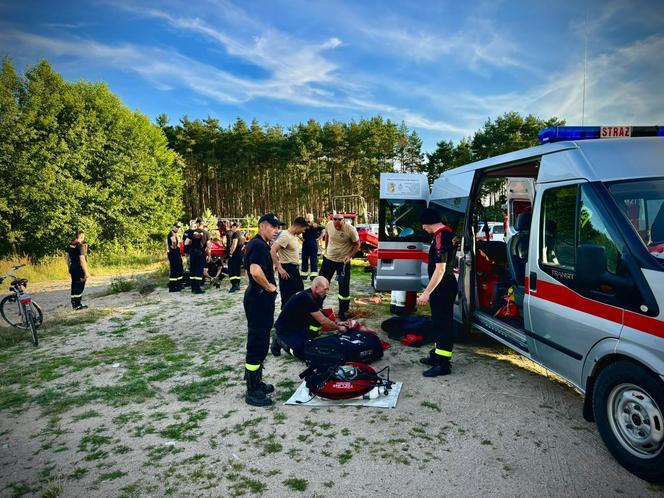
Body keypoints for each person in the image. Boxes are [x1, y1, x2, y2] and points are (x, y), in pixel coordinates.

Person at [243, 213, 284, 407]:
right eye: (273, 226)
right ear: (261, 226)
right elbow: (255, 270)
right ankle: (252, 391)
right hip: (259, 299)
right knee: (257, 343)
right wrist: (269, 287)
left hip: (259, 299)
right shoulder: (258, 245)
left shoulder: (260, 243)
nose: (276, 230)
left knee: (261, 341)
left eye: (278, 227)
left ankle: (256, 382)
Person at [417, 208, 458, 377]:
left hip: (443, 286)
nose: (423, 228)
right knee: (439, 321)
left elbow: (440, 269)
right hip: (443, 286)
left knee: (443, 323)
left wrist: (426, 292)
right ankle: (437, 355)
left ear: (428, 222)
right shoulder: (446, 233)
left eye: (423, 225)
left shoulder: (441, 236)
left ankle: (443, 365)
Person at [272, 276, 347, 359]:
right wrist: (338, 327)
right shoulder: (306, 298)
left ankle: (309, 335)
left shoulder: (317, 295)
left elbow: (319, 314)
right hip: (285, 329)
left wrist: (338, 322)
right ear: (316, 288)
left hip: (297, 322)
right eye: (325, 289)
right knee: (304, 353)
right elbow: (323, 321)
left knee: (324, 314)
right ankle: (280, 341)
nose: (327, 292)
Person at [319, 215, 360, 320]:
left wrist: (349, 256)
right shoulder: (329, 225)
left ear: (344, 221)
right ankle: (317, 308)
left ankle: (343, 311)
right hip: (328, 259)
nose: (337, 227)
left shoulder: (350, 229)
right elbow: (327, 236)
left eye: (339, 226)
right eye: (335, 225)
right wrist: (326, 249)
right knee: (321, 283)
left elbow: (357, 245)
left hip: (343, 262)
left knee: (344, 287)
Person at [271, 216, 307, 309]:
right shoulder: (285, 236)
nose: (303, 231)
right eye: (303, 229)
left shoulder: (292, 235)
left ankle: (295, 318)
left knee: (298, 294)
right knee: (288, 298)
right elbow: (272, 250)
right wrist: (279, 268)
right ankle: (285, 321)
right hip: (287, 269)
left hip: (294, 269)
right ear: (298, 227)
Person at [66, 230, 90, 310]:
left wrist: (69, 267)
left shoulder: (70, 245)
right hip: (79, 268)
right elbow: (82, 259)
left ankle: (74, 304)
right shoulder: (80, 246)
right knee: (80, 286)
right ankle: (78, 304)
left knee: (74, 285)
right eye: (83, 237)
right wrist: (86, 272)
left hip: (73, 267)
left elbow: (67, 257)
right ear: (81, 236)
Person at [185, 218, 209, 294]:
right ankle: (197, 289)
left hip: (192, 254)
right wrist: (209, 255)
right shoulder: (206, 233)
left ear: (197, 224)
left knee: (192, 271)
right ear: (202, 224)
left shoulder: (191, 232)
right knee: (199, 271)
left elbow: (186, 243)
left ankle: (193, 288)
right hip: (201, 254)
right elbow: (208, 246)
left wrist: (192, 242)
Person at [300, 213, 323, 281]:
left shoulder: (315, 225)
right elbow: (297, 232)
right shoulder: (303, 225)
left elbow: (324, 231)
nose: (308, 219)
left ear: (312, 218)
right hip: (305, 242)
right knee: (304, 258)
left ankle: (314, 274)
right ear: (305, 218)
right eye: (307, 217)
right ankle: (304, 274)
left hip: (313, 242)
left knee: (313, 259)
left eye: (310, 217)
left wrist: (319, 238)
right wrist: (300, 238)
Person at [228, 223, 246, 293]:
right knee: (237, 269)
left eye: (232, 227)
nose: (231, 229)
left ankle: (234, 285)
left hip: (235, 254)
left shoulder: (235, 234)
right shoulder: (241, 234)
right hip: (240, 254)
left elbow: (234, 244)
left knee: (232, 269)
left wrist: (230, 253)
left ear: (235, 227)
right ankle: (237, 284)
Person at [166, 222, 183, 292]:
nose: (178, 228)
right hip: (173, 254)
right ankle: (172, 287)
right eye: (177, 227)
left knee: (178, 269)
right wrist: (175, 246)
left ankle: (178, 285)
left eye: (178, 227)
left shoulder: (174, 233)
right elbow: (173, 241)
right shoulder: (172, 233)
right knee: (174, 270)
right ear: (173, 227)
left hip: (176, 254)